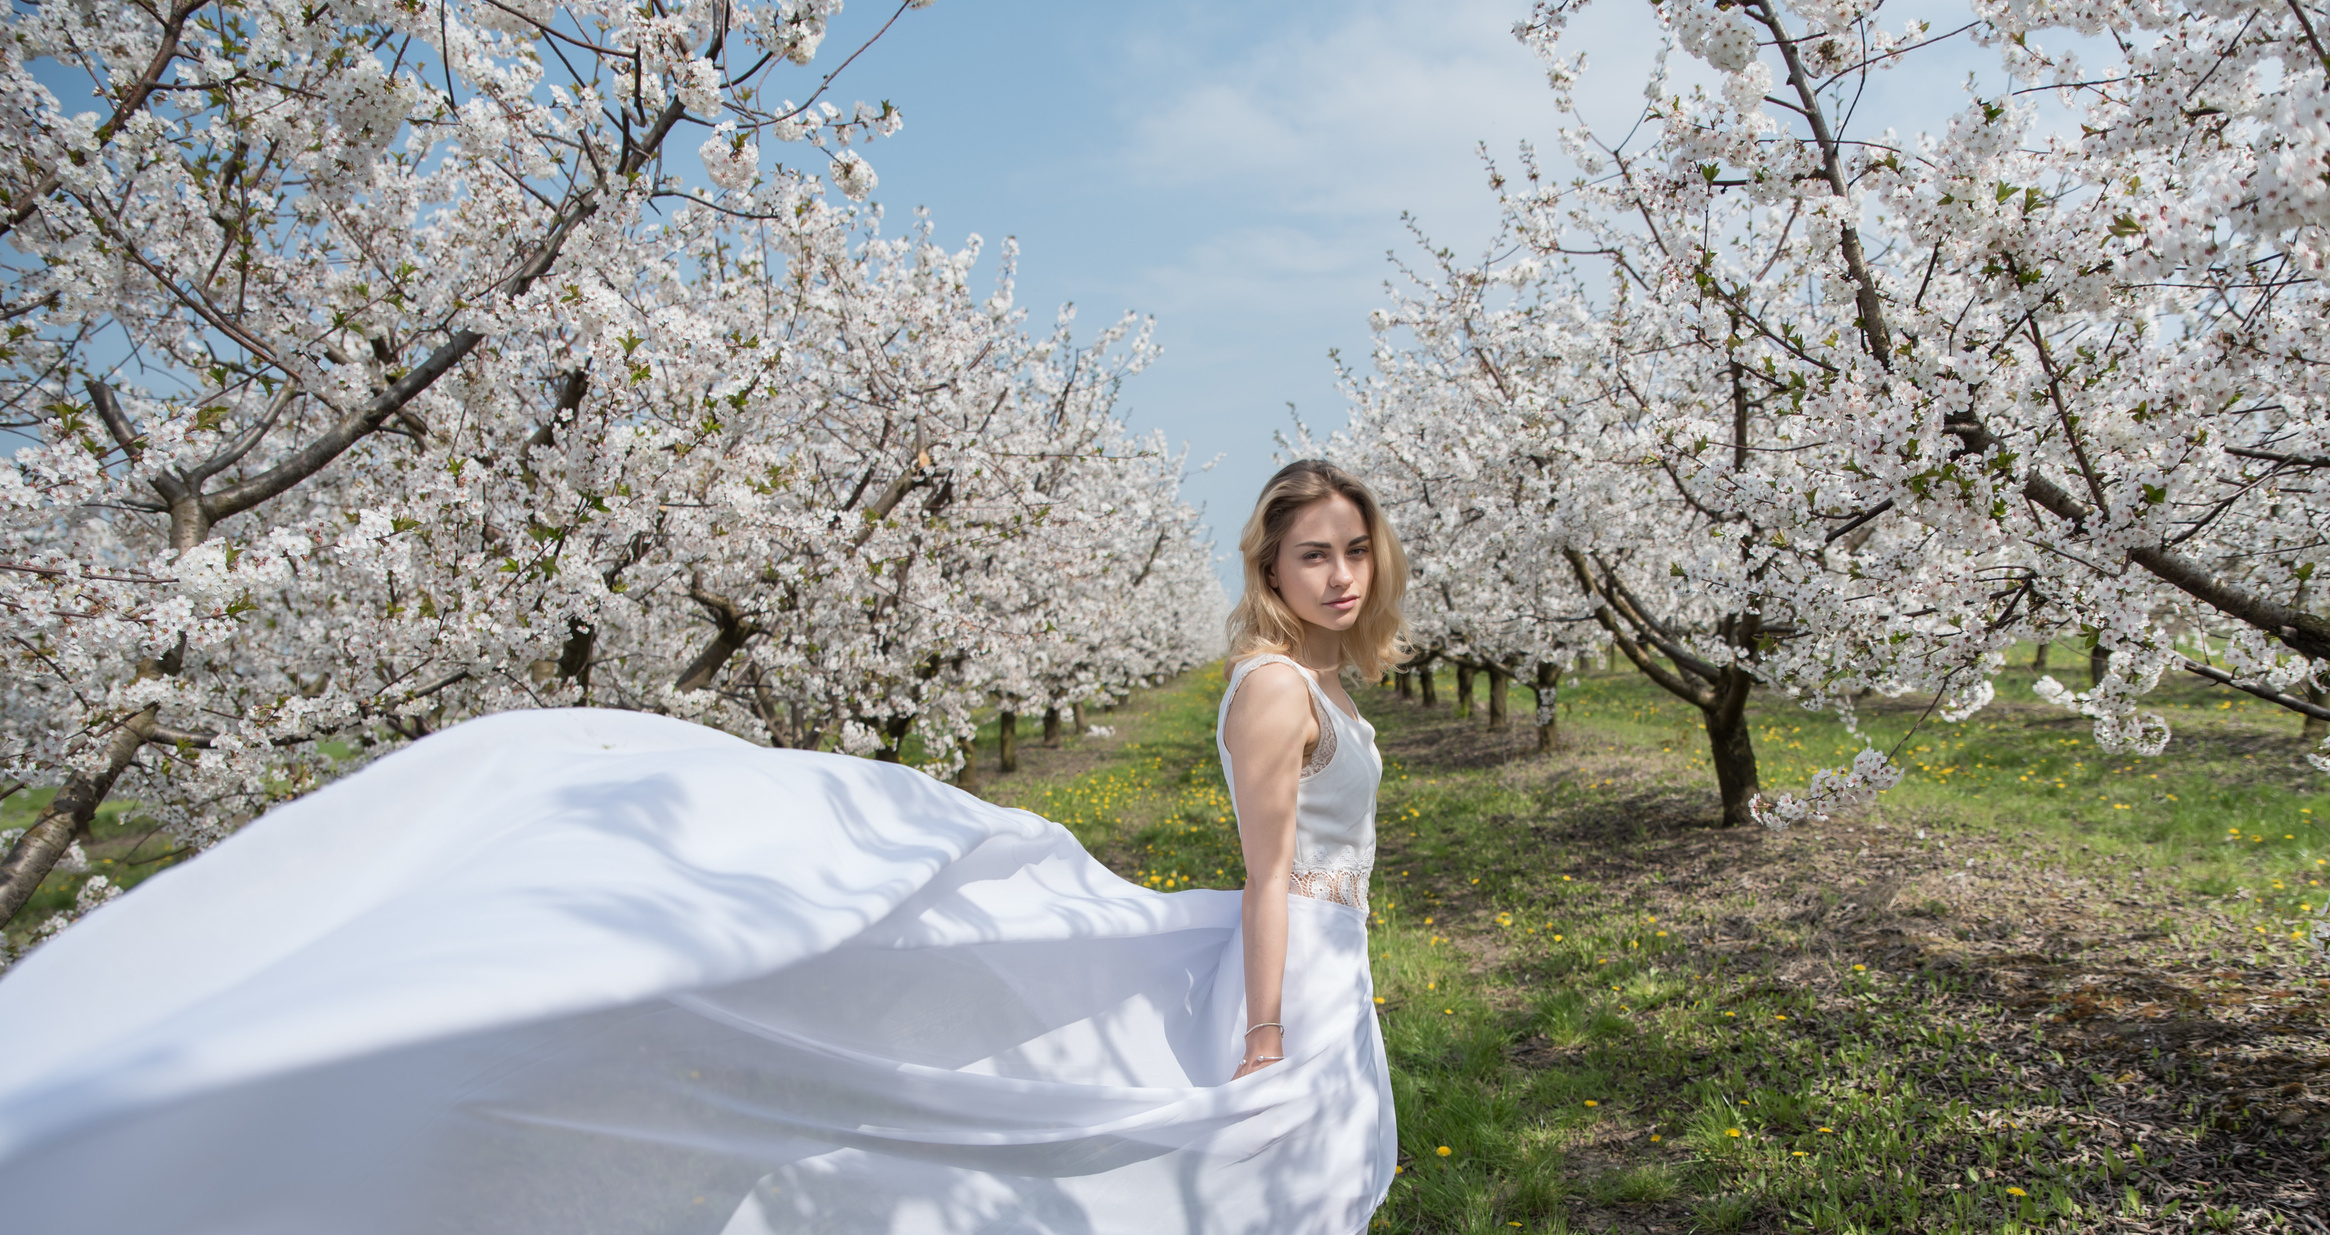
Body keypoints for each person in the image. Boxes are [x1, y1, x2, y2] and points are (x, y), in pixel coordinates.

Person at [0, 460, 1408, 1235]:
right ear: (1269, 571)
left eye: (1353, 551)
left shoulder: (1325, 682)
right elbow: (1269, 869)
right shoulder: (1276, 688)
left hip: (1330, 963)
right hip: (1293, 966)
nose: (1336, 574)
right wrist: (1270, 1023)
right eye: (1312, 556)